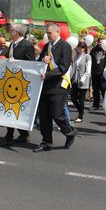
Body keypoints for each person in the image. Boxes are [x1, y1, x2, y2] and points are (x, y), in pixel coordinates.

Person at [33, 23, 77, 152]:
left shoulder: (65, 46)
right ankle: (46, 141)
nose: (48, 35)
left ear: (57, 32)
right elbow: (40, 62)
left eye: (49, 33)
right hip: (45, 85)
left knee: (57, 114)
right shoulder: (47, 46)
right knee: (44, 116)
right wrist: (42, 59)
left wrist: (48, 75)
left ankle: (69, 132)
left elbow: (64, 67)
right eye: (47, 33)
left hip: (58, 85)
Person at [0, 24, 35, 146]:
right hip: (11, 80)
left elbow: (31, 64)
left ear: (17, 32)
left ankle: (19, 134)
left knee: (16, 109)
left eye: (11, 30)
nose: (9, 32)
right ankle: (11, 134)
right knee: (10, 108)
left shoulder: (27, 45)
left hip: (20, 82)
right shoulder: (12, 44)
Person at [70, 41, 91, 123]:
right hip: (75, 79)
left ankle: (80, 115)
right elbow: (74, 68)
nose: (80, 49)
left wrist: (83, 79)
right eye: (79, 47)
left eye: (82, 47)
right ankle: (81, 111)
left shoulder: (87, 56)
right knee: (73, 98)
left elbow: (88, 70)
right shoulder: (76, 56)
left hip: (83, 81)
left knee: (81, 99)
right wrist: (70, 78)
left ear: (85, 48)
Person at [90, 37, 106, 110]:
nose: (101, 44)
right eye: (100, 42)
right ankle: (96, 104)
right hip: (95, 72)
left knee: (104, 89)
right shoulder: (94, 50)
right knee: (95, 89)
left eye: (102, 42)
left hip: (103, 74)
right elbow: (90, 59)